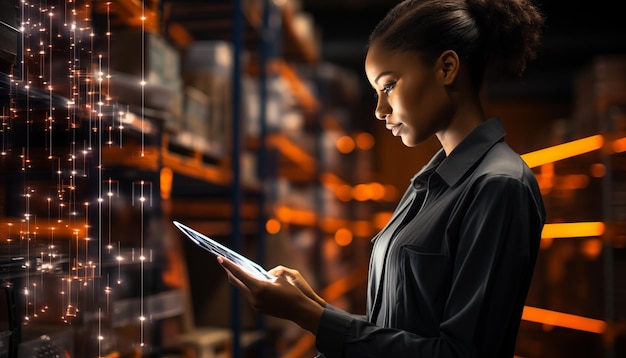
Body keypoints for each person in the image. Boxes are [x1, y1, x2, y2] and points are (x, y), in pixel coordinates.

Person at [218, 0, 547, 356]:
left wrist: (311, 317)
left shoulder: (498, 185)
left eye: (388, 86)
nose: (379, 110)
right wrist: (313, 306)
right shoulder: (427, 184)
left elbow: (462, 354)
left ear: (447, 68)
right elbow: (397, 324)